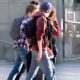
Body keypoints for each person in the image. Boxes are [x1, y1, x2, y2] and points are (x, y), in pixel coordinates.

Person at [7, 4, 38, 80]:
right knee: (30, 69)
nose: (36, 14)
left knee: (16, 69)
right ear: (30, 12)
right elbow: (25, 36)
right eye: (35, 12)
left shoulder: (24, 19)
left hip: (18, 46)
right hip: (22, 47)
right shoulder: (27, 21)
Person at [25, 1, 55, 80]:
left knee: (31, 73)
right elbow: (39, 37)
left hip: (35, 49)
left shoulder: (35, 17)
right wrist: (41, 52)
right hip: (40, 51)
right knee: (50, 74)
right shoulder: (42, 18)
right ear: (48, 11)